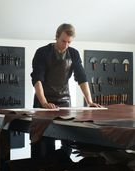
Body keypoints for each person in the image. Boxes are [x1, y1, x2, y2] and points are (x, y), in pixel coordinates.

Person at [30, 23, 101, 158]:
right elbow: (37, 79)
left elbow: (82, 78)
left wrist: (90, 101)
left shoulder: (73, 53)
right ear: (56, 37)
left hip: (64, 103)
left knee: (68, 141)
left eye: (69, 42)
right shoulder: (42, 52)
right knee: (43, 143)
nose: (66, 45)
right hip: (43, 103)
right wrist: (44, 103)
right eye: (63, 41)